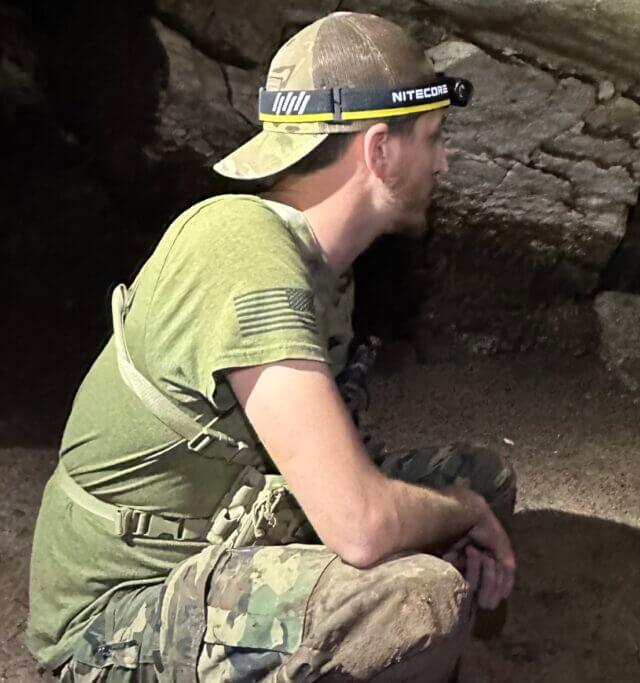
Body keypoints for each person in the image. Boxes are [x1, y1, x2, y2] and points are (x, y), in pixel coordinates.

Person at [26, 12, 516, 682]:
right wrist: (462, 515)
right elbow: (360, 525)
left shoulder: (322, 271)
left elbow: (327, 465)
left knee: (482, 477)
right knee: (415, 596)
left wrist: (464, 502)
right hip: (119, 614)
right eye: (432, 138)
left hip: (224, 532)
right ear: (379, 150)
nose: (443, 160)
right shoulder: (243, 248)